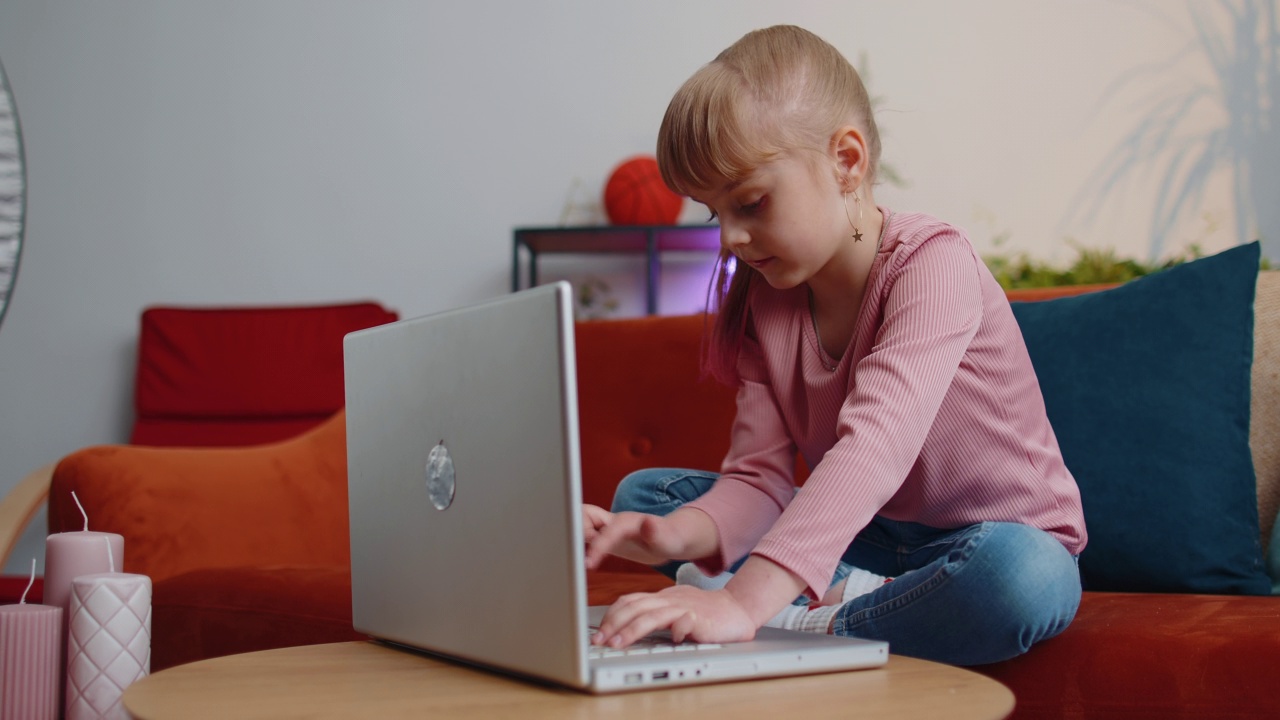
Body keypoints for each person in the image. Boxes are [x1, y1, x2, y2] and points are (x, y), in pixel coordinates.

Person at [582, 24, 1087, 667]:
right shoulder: (769, 299)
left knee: (1017, 580)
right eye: (715, 214)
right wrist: (669, 536)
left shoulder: (933, 264)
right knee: (645, 499)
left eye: (751, 203)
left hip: (993, 539)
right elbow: (758, 480)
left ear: (846, 161)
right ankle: (854, 600)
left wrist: (741, 602)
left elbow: (875, 446)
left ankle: (807, 624)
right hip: (867, 541)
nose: (731, 238)